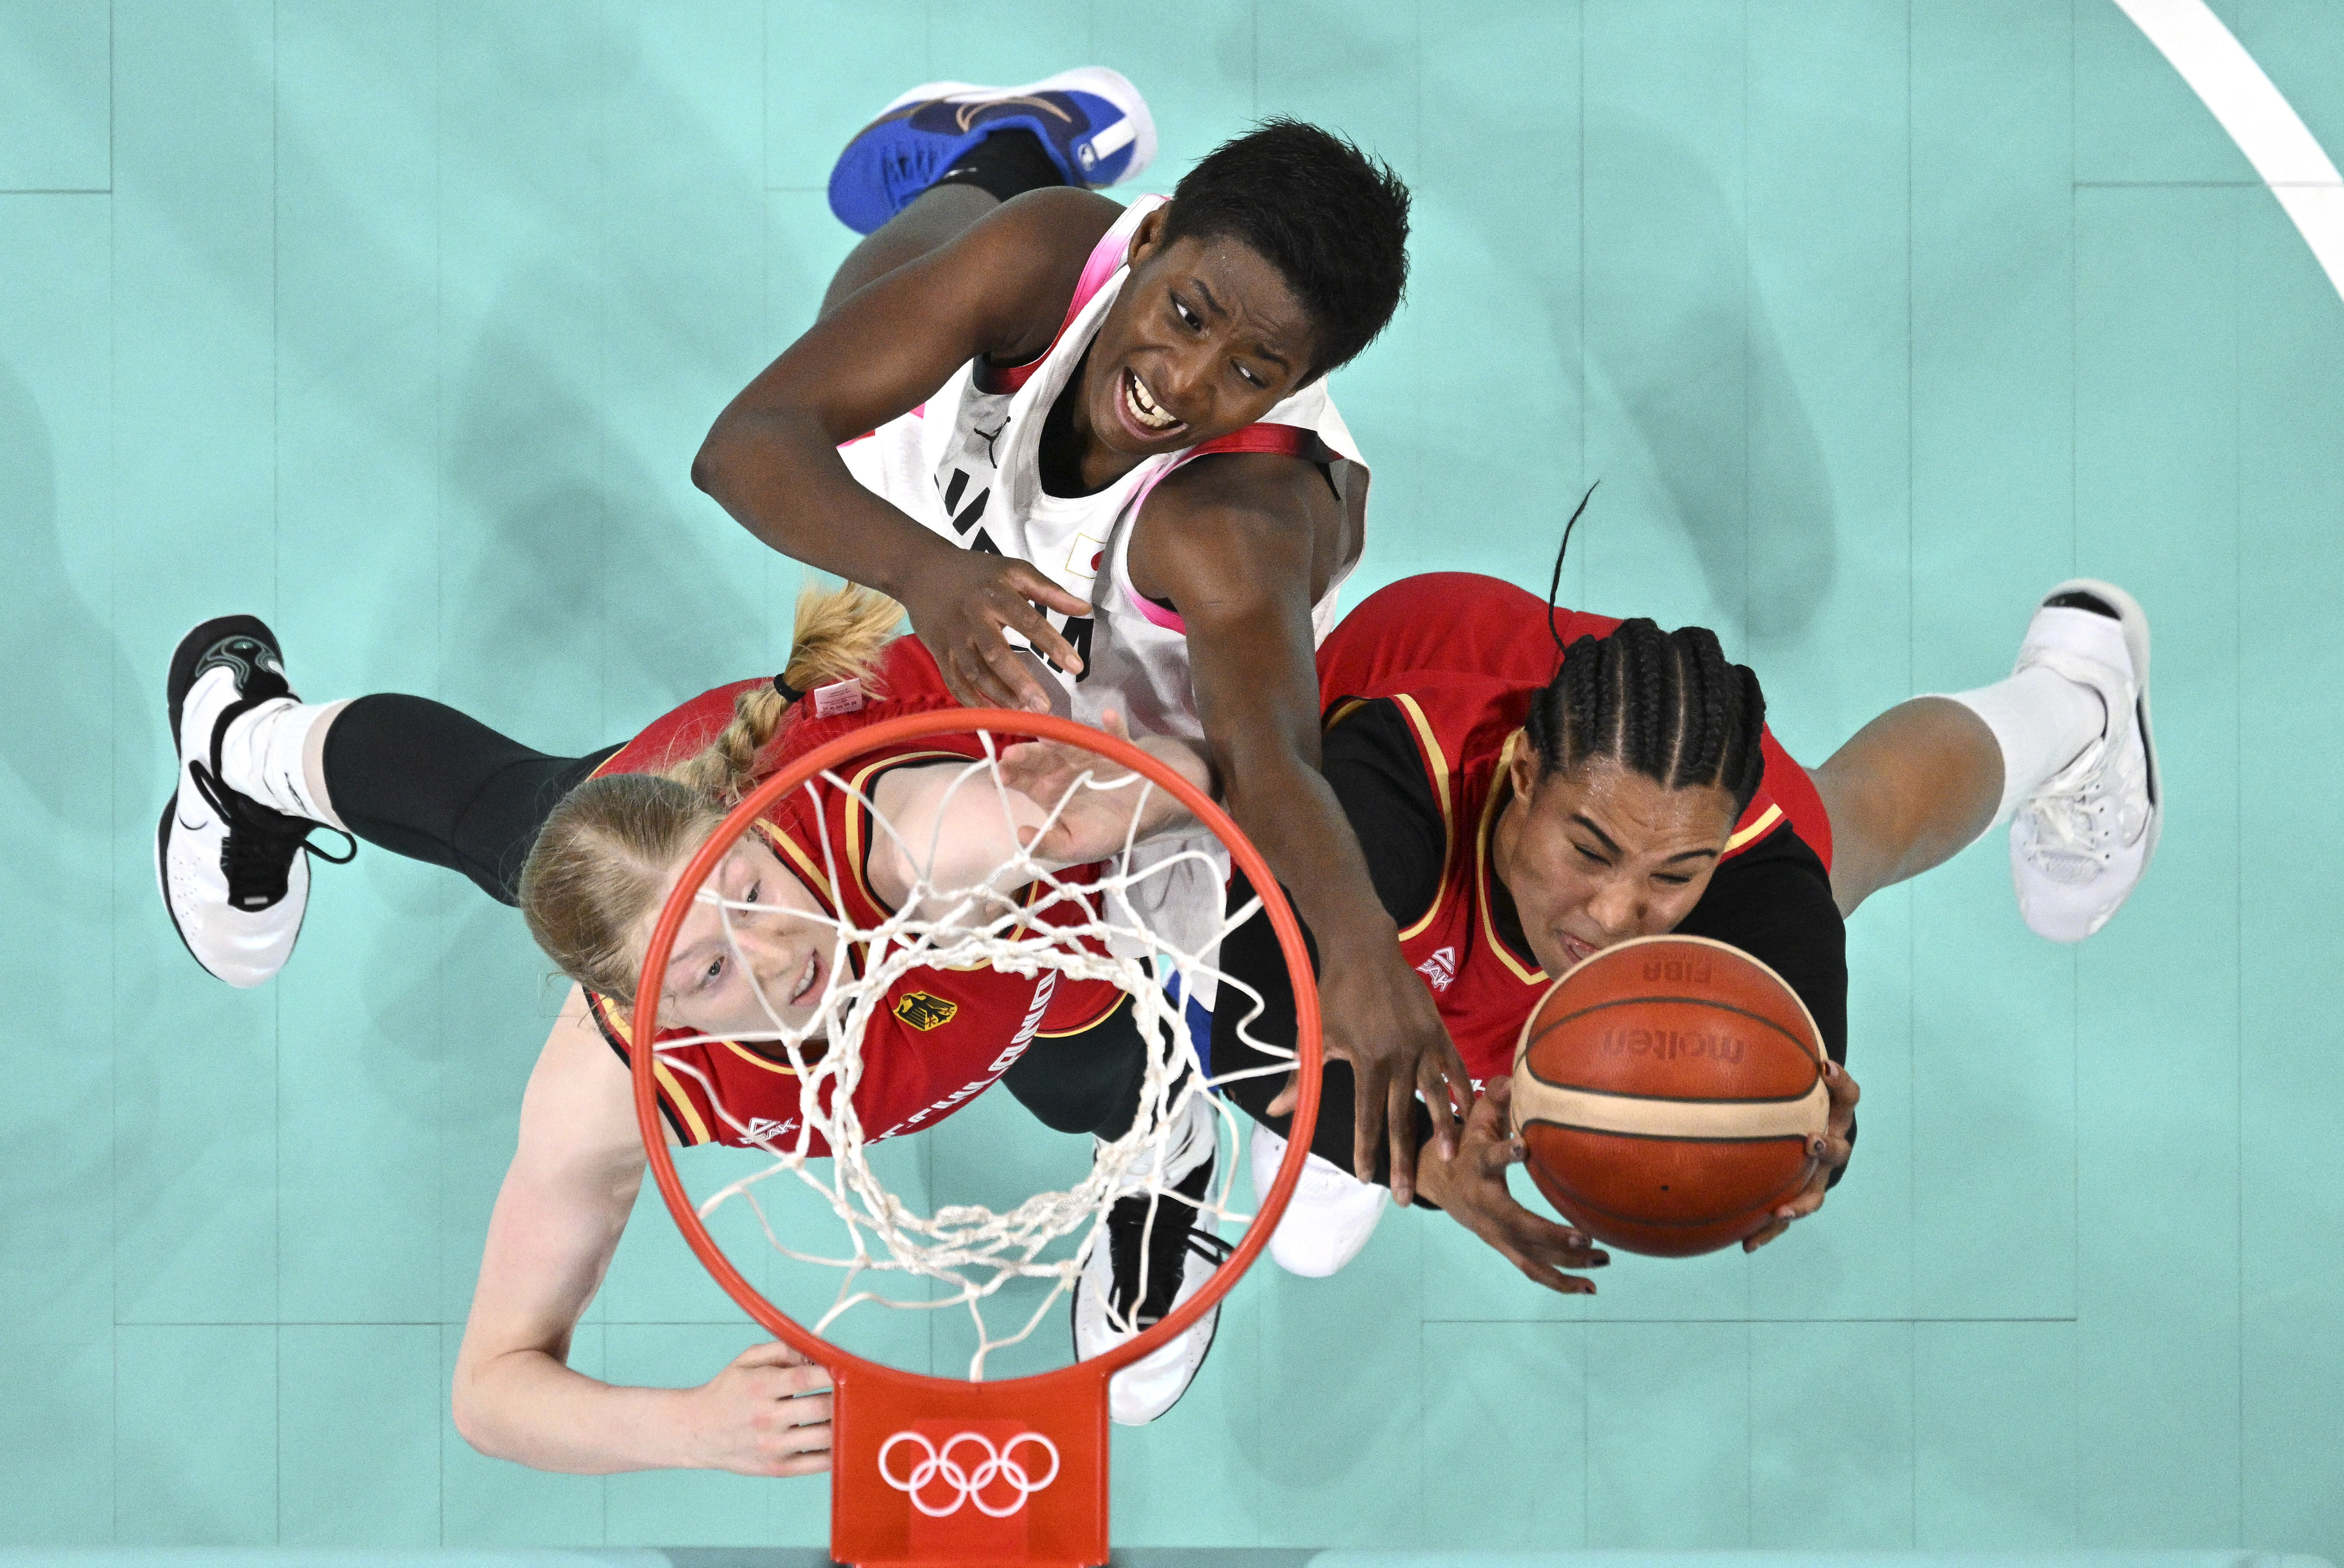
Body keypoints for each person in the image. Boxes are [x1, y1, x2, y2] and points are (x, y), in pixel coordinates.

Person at [153, 585, 1244, 1473]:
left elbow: (1171, 789)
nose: (777, 951)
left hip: (865, 854)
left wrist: (1108, 800)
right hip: (651, 876)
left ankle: (1164, 1151)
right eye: (710, 969)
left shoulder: (913, 854)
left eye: (757, 890)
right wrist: (690, 1430)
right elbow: (491, 1388)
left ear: (745, 830)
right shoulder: (612, 1078)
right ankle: (244, 744)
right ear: (647, 1012)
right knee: (506, 821)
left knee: (1090, 1051)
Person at [692, 71, 1472, 1206]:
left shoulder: (1235, 523)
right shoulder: (1057, 259)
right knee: (864, 339)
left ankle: (1169, 1148)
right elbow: (744, 445)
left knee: (1082, 927)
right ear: (1149, 237)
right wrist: (929, 574)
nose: (1182, 381)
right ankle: (1010, 148)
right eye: (1186, 314)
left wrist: (1358, 966)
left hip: (1124, 675)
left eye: (1253, 372)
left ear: (1303, 384)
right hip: (978, 545)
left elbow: (1272, 762)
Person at [1212, 530, 2159, 1288]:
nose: (1621, 912)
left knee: (1860, 827)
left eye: (1673, 875)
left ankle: (2078, 703)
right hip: (1420, 681)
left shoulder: (1747, 859)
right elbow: (1237, 1025)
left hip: (1639, 759)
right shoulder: (1389, 796)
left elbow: (1803, 1093)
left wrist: (1806, 1139)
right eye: (1589, 854)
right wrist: (1421, 1161)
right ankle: (1365, 1083)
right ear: (1522, 773)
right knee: (1338, 996)